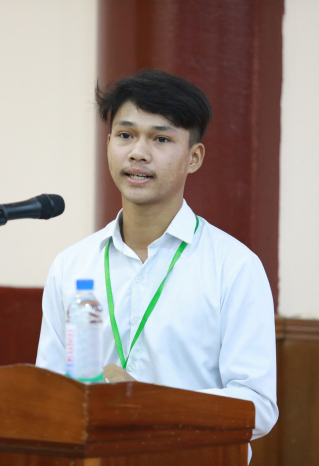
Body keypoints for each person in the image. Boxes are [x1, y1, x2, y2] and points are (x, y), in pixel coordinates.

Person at [35, 69, 278, 446]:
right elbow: (49, 389)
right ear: (108, 144)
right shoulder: (72, 265)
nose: (138, 152)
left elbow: (257, 406)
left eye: (161, 138)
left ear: (194, 157)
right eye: (125, 135)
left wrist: (153, 405)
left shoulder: (234, 268)